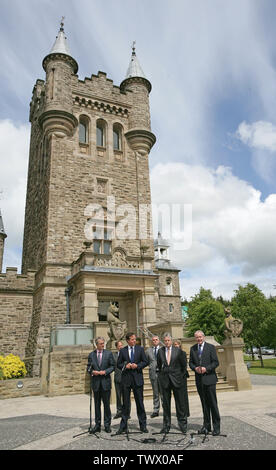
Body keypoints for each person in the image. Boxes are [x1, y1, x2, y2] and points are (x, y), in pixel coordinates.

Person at [189, 330, 221, 436]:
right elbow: (191, 363)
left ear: (204, 337)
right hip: (199, 380)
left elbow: (216, 362)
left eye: (200, 337)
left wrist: (206, 368)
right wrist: (196, 368)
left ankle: (216, 427)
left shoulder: (210, 347)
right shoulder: (193, 348)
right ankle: (206, 426)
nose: (199, 339)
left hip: (210, 379)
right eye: (197, 337)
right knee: (204, 404)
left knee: (213, 404)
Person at [116, 332, 148, 434]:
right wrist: (126, 366)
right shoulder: (123, 351)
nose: (134, 341)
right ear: (128, 340)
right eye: (132, 339)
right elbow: (118, 364)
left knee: (140, 403)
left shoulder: (140, 349)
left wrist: (137, 366)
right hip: (126, 380)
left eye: (135, 339)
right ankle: (123, 426)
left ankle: (143, 425)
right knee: (125, 404)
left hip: (137, 380)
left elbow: (145, 361)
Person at [157, 333, 189, 434]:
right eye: (165, 341)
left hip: (177, 380)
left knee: (180, 403)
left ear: (171, 341)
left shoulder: (178, 351)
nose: (167, 342)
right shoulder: (160, 351)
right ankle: (166, 425)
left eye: (168, 340)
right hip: (165, 380)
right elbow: (159, 365)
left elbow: (184, 366)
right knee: (166, 404)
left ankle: (182, 424)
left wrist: (179, 376)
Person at [87, 336, 115, 433]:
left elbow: (113, 366)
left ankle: (107, 425)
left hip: (105, 383)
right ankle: (97, 425)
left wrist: (105, 372)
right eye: (101, 344)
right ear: (96, 344)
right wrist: (92, 372)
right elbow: (88, 368)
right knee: (97, 405)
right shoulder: (91, 355)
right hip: (96, 384)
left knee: (106, 405)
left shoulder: (108, 354)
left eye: (103, 343)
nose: (103, 345)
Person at [145, 335, 163, 418]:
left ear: (159, 340)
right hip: (153, 374)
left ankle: (165, 409)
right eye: (153, 340)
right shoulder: (148, 350)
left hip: (162, 374)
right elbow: (146, 361)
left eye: (156, 340)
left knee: (163, 393)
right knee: (155, 393)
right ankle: (156, 410)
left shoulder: (163, 349)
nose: (155, 341)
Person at [113, 340, 131, 419]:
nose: (120, 347)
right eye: (119, 346)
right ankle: (119, 411)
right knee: (118, 395)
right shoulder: (113, 355)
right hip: (117, 378)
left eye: (121, 345)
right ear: (116, 347)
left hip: (126, 378)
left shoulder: (126, 355)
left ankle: (127, 412)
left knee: (126, 397)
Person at [173, 339, 190, 420]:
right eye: (175, 344)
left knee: (183, 396)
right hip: (174, 377)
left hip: (182, 377)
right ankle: (179, 412)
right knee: (177, 396)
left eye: (177, 344)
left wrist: (179, 376)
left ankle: (186, 412)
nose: (176, 346)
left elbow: (184, 366)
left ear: (180, 345)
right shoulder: (172, 353)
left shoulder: (182, 353)